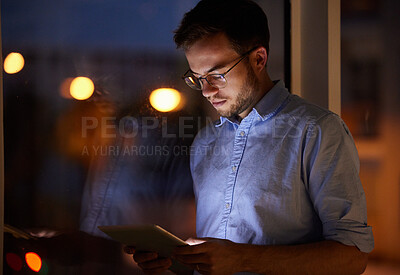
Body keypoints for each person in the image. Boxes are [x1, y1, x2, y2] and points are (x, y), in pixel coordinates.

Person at [127, 0, 374, 274]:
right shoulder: (205, 142)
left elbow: (352, 257)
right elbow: (217, 261)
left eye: (217, 75)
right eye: (197, 78)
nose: (206, 91)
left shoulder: (317, 131)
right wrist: (174, 260)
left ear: (259, 58)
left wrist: (242, 259)